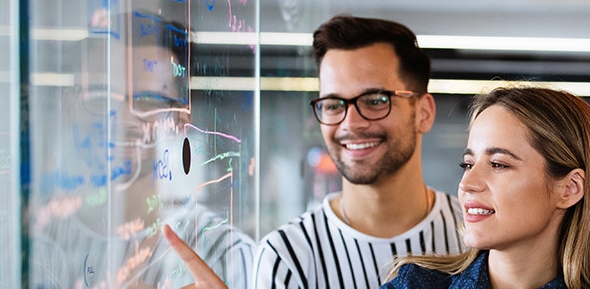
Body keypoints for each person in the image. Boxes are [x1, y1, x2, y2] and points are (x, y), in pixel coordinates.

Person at [166, 15, 468, 289]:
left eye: (375, 100)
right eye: (334, 104)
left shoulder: (476, 238)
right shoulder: (287, 257)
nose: (351, 123)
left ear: (424, 113)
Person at [381, 86, 590, 289]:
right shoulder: (413, 284)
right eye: (467, 164)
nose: (466, 184)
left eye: (498, 164)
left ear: (569, 189)